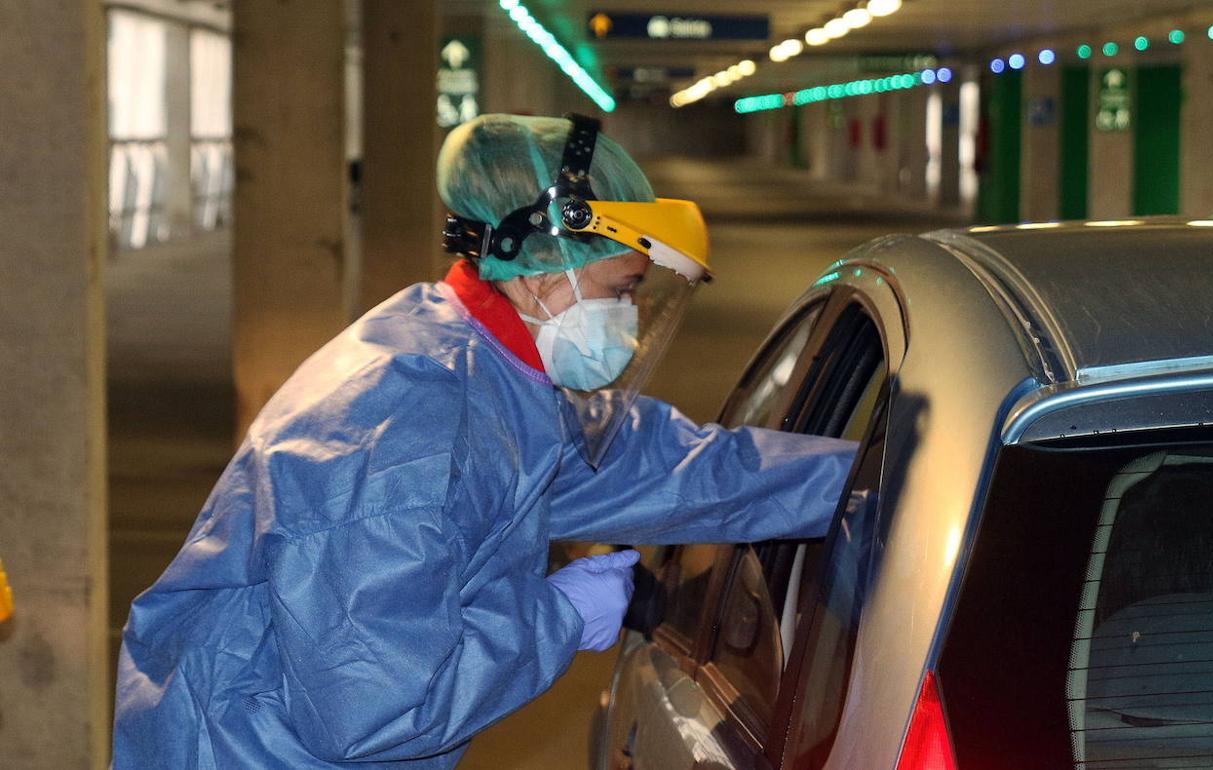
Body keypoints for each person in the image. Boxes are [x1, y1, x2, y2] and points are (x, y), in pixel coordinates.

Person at [112, 113, 858, 768]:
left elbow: (656, 462)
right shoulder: (403, 427)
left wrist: (867, 480)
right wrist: (555, 615)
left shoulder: (497, 370)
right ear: (540, 266)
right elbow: (370, 707)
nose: (628, 319)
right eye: (620, 290)